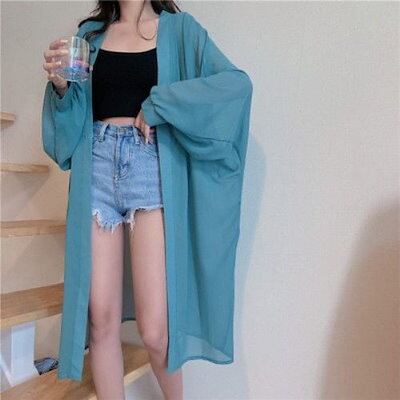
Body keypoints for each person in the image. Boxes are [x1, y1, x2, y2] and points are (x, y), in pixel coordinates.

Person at [42, 0, 253, 398]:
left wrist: (160, 104)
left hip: (150, 170)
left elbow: (234, 85)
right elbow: (67, 138)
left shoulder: (182, 32)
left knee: (156, 331)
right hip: (96, 168)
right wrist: (60, 88)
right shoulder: (90, 35)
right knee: (101, 322)